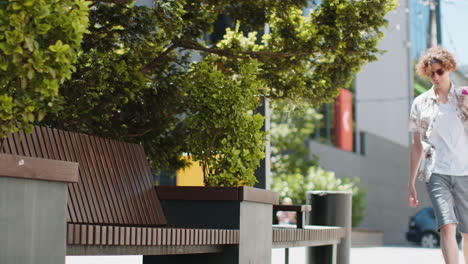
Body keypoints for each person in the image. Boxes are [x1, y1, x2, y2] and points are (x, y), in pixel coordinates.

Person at [408, 45, 468, 264]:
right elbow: (417, 146)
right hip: (436, 172)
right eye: (431, 73)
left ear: (449, 68)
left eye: (439, 71)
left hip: (465, 170)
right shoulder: (420, 103)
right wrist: (411, 182)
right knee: (447, 225)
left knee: (467, 231)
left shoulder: (465, 96)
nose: (435, 77)